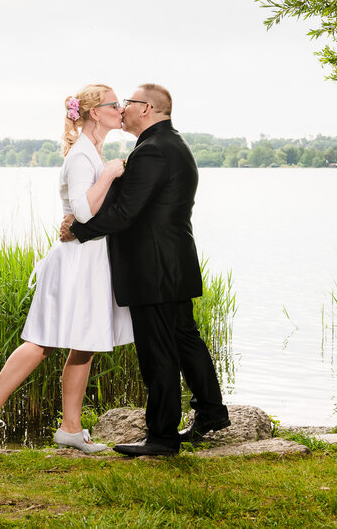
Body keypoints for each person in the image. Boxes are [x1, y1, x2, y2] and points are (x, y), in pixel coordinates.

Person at [0, 84, 134, 453]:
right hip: (73, 263)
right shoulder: (82, 158)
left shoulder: (95, 152)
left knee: (85, 344)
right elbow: (84, 213)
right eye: (114, 104)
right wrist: (108, 175)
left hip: (91, 259)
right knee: (43, 341)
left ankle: (70, 428)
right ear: (94, 112)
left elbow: (89, 213)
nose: (121, 109)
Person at [60, 83, 230, 457]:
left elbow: (125, 212)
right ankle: (212, 412)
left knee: (159, 352)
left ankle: (162, 437)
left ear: (147, 108)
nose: (123, 108)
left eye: (129, 102)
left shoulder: (151, 151)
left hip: (152, 269)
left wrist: (79, 230)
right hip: (174, 263)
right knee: (186, 339)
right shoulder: (173, 144)